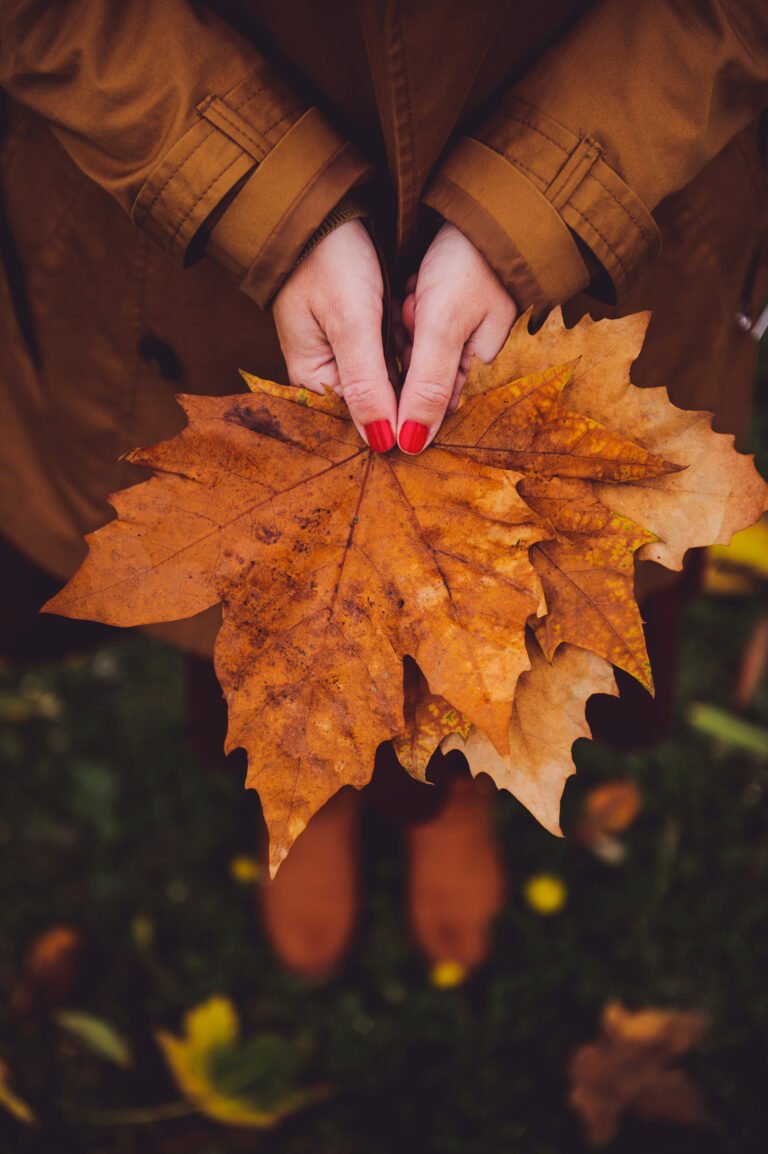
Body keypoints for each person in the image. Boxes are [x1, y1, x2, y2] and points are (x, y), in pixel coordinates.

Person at [1, 0, 767, 977]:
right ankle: (308, 781)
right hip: (192, 257)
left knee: (521, 615)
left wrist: (539, 203)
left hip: (609, 221)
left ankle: (462, 782)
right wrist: (255, 195)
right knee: (269, 608)